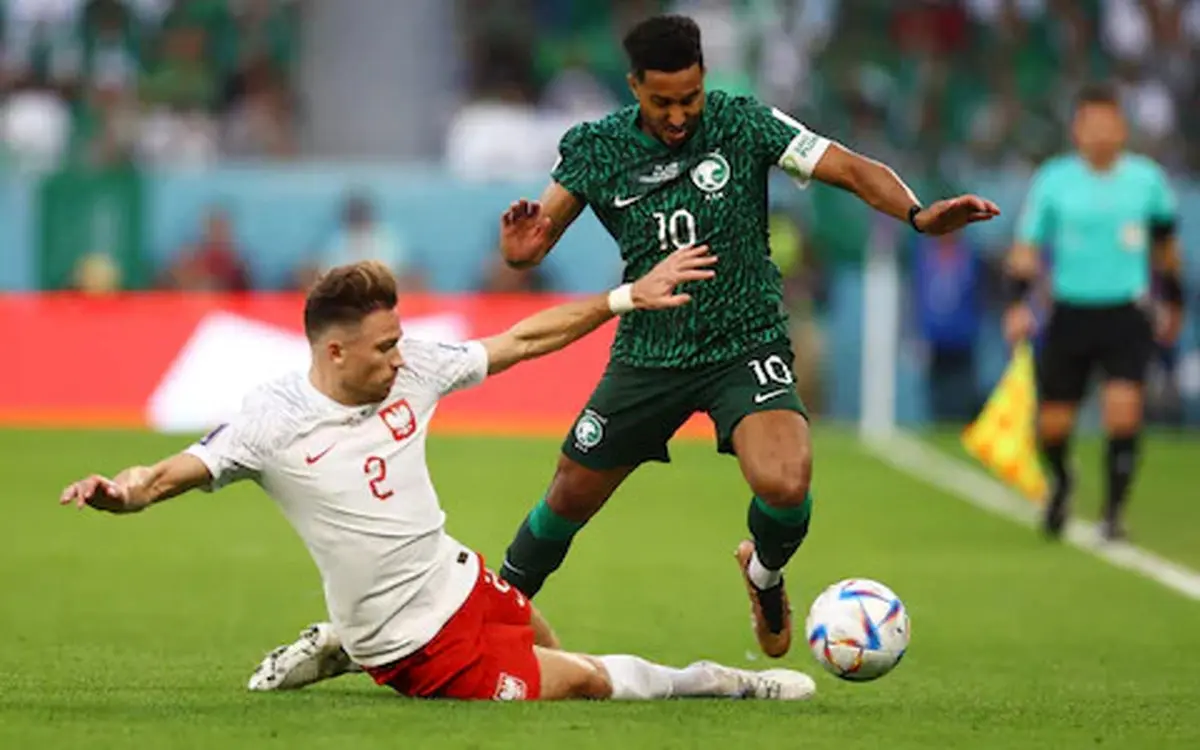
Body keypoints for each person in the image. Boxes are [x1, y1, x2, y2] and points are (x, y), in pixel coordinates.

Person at [59, 250, 818, 703]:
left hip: (455, 575)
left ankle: (339, 644)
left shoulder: (414, 367)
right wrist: (120, 493)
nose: (401, 357)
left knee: (553, 646)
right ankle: (724, 682)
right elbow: (165, 475)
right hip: (412, 641)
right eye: (384, 347)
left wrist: (624, 298)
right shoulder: (272, 420)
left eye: (399, 340)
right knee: (585, 682)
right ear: (334, 353)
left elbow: (523, 340)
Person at [494, 14, 1000, 658]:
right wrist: (520, 248)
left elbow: (848, 167)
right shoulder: (597, 148)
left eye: (690, 97)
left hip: (745, 341)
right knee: (569, 494)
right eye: (662, 102)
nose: (679, 115)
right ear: (634, 86)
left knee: (786, 483)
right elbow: (531, 244)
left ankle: (763, 573)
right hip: (650, 351)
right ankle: (495, 612)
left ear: (704, 79)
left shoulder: (743, 122)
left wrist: (919, 215)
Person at [1003, 82, 1185, 542]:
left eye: (1109, 123)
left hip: (1126, 312)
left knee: (1123, 414)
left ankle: (1113, 512)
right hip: (1070, 312)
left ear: (1122, 128)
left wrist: (1174, 301)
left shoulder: (1147, 181)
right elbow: (1026, 248)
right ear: (1077, 129)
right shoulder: (1054, 181)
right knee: (1053, 425)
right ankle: (1063, 480)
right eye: (1092, 124)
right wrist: (1017, 304)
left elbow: (1166, 248)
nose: (1101, 133)